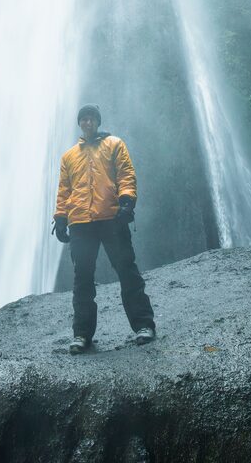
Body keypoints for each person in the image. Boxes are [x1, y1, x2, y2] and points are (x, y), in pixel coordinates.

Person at [53, 104, 156, 354]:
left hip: (111, 218)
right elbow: (64, 190)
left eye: (91, 118)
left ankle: (144, 325)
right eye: (83, 119)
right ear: (80, 124)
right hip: (81, 223)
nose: (87, 123)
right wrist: (60, 217)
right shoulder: (69, 156)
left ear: (97, 122)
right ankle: (82, 335)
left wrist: (127, 201)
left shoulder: (114, 144)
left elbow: (125, 174)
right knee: (82, 280)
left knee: (127, 271)